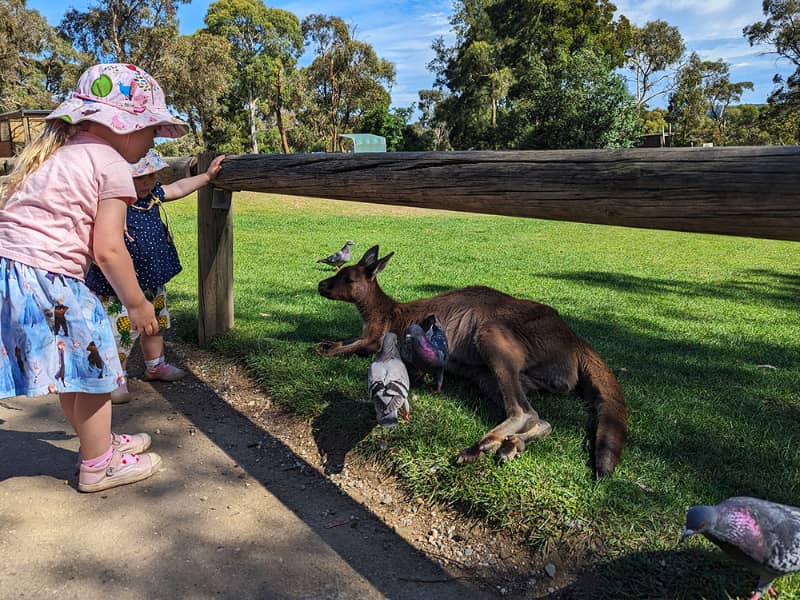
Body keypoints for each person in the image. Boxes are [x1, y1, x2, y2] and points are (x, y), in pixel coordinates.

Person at [0, 63, 188, 492]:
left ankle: (97, 442)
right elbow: (107, 248)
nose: (153, 140)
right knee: (97, 369)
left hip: (16, 270)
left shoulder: (61, 152)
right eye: (150, 129)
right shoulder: (110, 162)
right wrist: (138, 303)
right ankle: (99, 465)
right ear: (119, 126)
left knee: (74, 369)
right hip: (49, 275)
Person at [85, 149, 224, 404]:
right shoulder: (113, 203)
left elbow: (179, 187)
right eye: (139, 178)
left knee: (155, 325)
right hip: (117, 285)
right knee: (119, 333)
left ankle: (155, 365)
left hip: (151, 280)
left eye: (151, 175)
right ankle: (115, 378)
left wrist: (206, 177)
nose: (148, 182)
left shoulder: (154, 195)